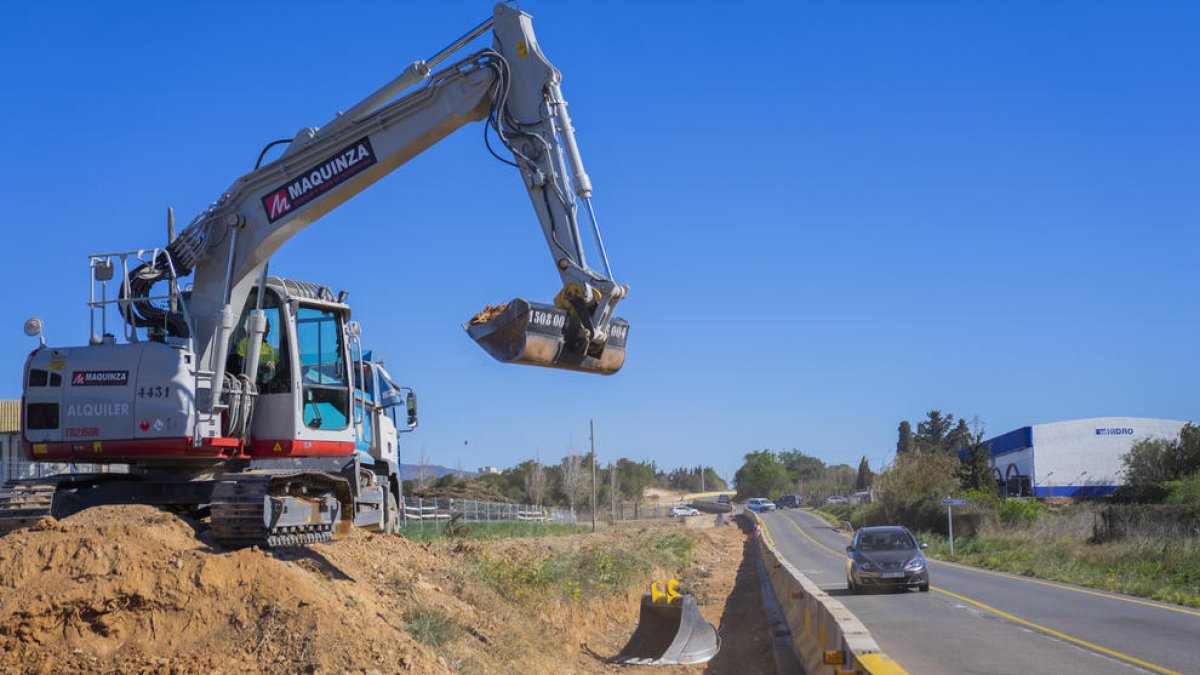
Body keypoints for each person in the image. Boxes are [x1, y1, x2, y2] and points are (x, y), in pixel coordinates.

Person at [235, 316, 279, 381]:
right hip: (248, 382)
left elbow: (278, 366)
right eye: (267, 327)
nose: (269, 330)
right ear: (257, 327)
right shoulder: (243, 344)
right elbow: (241, 366)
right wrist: (262, 367)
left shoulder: (269, 348)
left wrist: (273, 366)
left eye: (268, 327)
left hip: (267, 382)